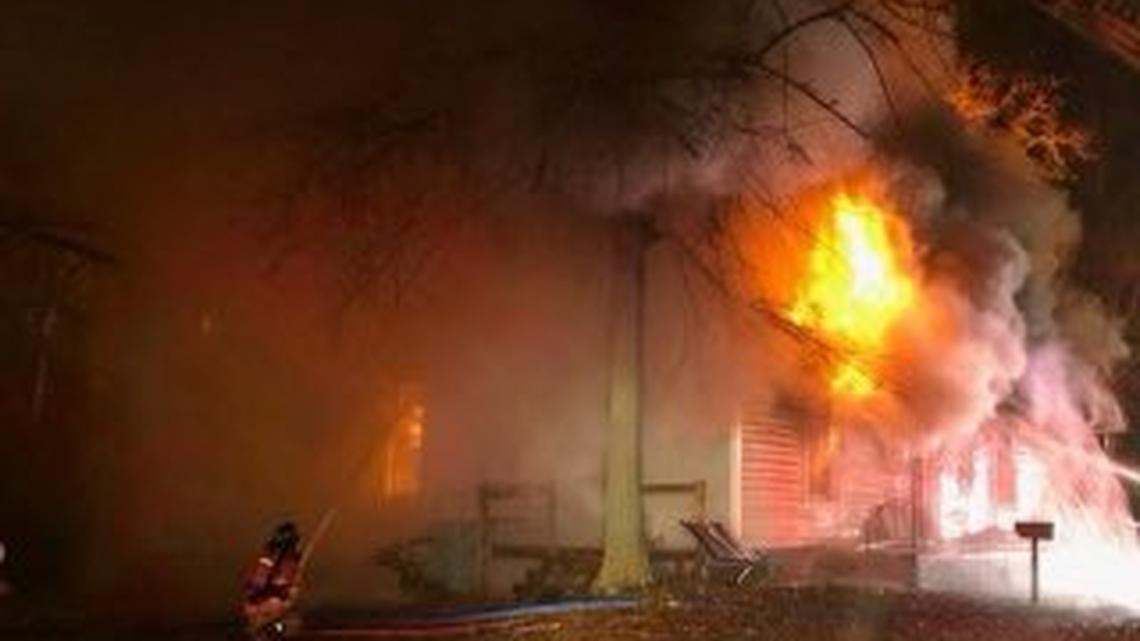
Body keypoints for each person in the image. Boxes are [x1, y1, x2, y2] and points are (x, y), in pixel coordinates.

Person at [242, 522, 303, 639]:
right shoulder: (271, 560)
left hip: (267, 611)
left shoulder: (289, 562)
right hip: (264, 608)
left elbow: (292, 588)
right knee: (288, 622)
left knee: (290, 623)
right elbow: (257, 585)